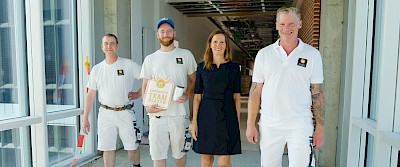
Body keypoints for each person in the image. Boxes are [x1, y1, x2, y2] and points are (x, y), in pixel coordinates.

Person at [245, 6, 325, 167]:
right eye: (282, 24)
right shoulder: (264, 54)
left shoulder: (312, 55)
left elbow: (317, 93)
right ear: (276, 25)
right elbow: (255, 93)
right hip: (270, 124)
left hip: (300, 124)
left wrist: (320, 128)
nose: (286, 28)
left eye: (291, 24)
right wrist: (250, 124)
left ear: (300, 24)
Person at [140, 18, 197, 167]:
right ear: (158, 35)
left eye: (169, 31)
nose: (166, 34)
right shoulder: (150, 59)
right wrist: (147, 106)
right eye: (162, 31)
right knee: (158, 155)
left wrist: (187, 95)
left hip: (179, 114)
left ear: (174, 33)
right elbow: (145, 85)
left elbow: (194, 79)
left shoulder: (185, 55)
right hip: (157, 115)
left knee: (180, 154)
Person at [82, 34, 142, 167]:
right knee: (107, 148)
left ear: (117, 46)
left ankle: (136, 165)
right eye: (106, 43)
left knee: (132, 147)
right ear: (102, 47)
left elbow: (148, 78)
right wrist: (85, 118)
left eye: (112, 43)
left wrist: (139, 93)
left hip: (125, 112)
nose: (109, 46)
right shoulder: (96, 69)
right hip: (105, 113)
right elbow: (90, 95)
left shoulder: (128, 64)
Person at [191, 30, 242, 167]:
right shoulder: (202, 67)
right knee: (206, 161)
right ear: (210, 44)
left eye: (222, 42)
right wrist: (194, 122)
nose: (218, 45)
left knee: (224, 162)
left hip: (227, 116)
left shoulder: (234, 68)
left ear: (226, 46)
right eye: (215, 42)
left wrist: (235, 121)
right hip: (206, 116)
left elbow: (237, 97)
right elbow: (197, 97)